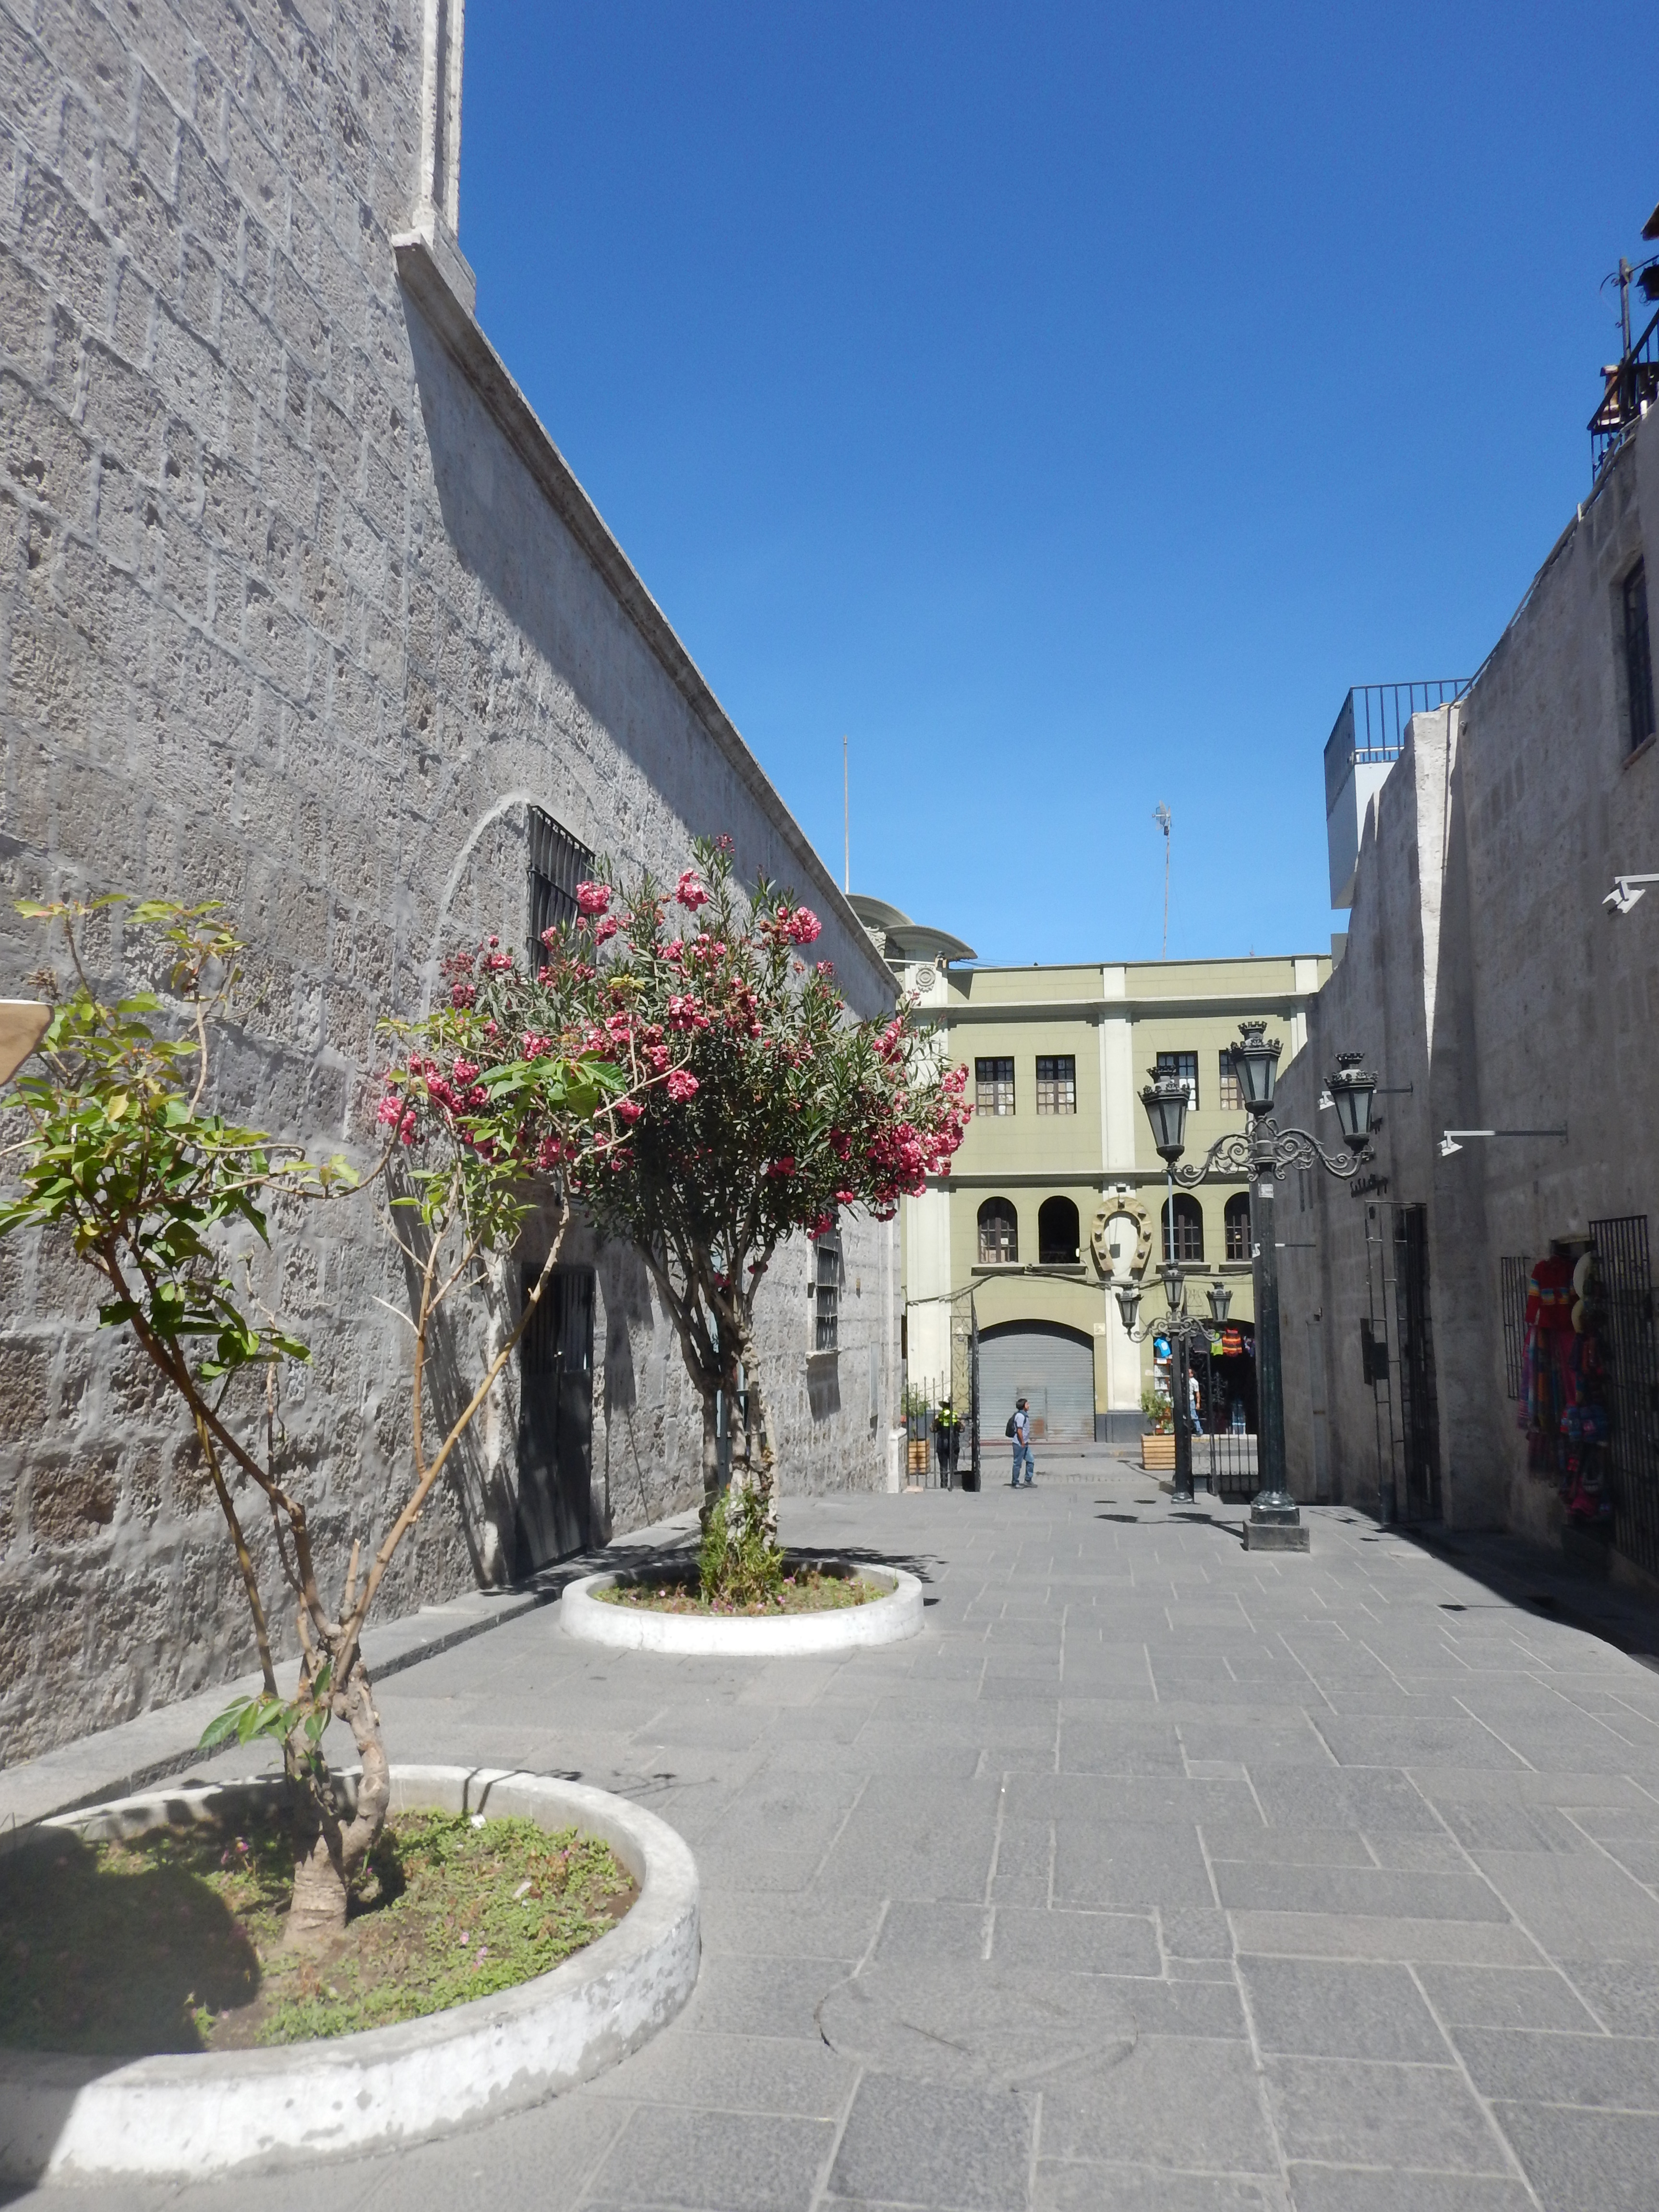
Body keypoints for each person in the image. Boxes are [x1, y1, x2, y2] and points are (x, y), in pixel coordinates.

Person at [932, 1399, 961, 1490]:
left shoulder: (939, 1416)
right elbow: (962, 1428)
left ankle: (944, 1484)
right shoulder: (956, 1415)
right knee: (954, 1465)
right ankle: (954, 1483)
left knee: (943, 1465)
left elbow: (933, 1429)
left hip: (942, 1442)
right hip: (954, 1442)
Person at [1010, 1397, 1034, 1487]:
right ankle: (1015, 1482)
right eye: (1027, 1404)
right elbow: (1019, 1430)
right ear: (1023, 1406)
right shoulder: (1020, 1416)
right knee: (1018, 1463)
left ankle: (1028, 1480)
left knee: (1031, 1460)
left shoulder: (1025, 1415)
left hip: (1025, 1443)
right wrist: (1023, 1442)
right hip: (1019, 1443)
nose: (1029, 1406)